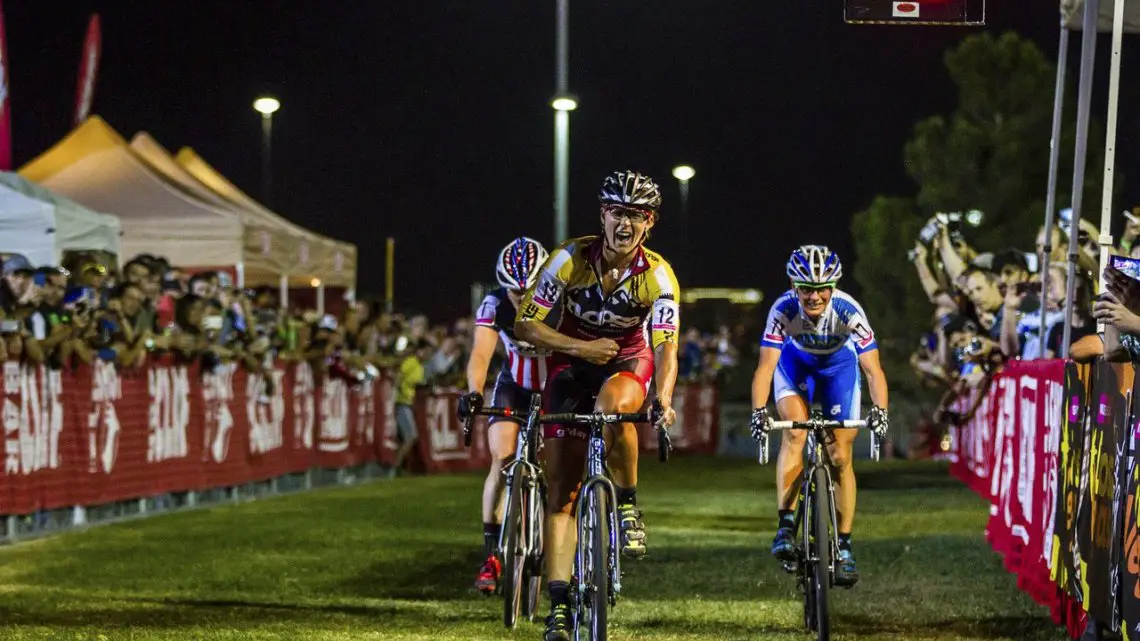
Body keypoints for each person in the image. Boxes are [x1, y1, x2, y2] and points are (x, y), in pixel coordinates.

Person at [514, 170, 680, 641]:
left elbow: (667, 347)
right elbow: (526, 325)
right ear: (603, 215)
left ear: (649, 224)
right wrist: (583, 348)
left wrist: (663, 397)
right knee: (561, 492)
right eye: (618, 213)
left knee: (613, 408)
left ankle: (627, 504)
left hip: (628, 360)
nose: (625, 225)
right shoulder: (568, 258)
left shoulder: (659, 276)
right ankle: (560, 605)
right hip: (572, 361)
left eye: (637, 216)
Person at [749, 245, 889, 588]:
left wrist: (881, 411)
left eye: (822, 288)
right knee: (795, 434)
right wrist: (758, 411)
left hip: (839, 370)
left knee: (840, 455)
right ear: (794, 286)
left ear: (834, 287)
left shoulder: (848, 309)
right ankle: (786, 524)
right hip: (795, 368)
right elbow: (766, 366)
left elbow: (872, 370)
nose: (814, 296)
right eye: (806, 288)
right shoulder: (782, 309)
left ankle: (843, 546)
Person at [458, 237, 551, 595]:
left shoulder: (562, 302)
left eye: (528, 292)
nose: (521, 299)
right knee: (502, 457)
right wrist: (474, 392)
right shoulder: (494, 303)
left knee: (562, 462)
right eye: (514, 292)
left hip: (556, 385)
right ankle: (491, 554)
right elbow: (481, 355)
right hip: (516, 383)